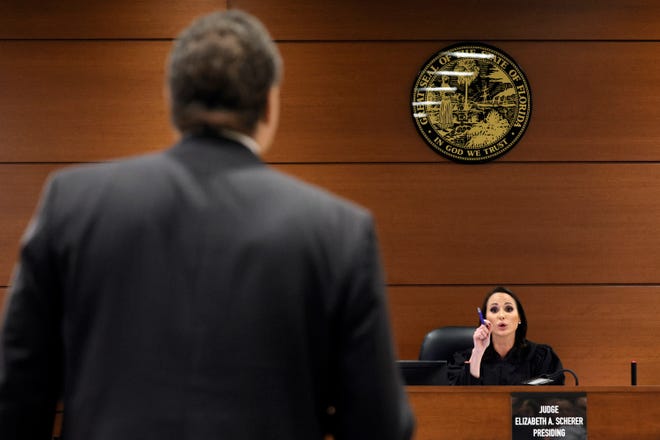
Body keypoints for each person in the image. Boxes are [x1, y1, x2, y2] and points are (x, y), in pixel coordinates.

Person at [0, 10, 414, 440]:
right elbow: (379, 423)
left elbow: (16, 395)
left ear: (171, 99)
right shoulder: (339, 230)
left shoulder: (72, 202)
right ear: (270, 104)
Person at [448, 286, 564, 385]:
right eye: (494, 310)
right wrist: (478, 353)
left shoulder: (542, 357)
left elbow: (554, 400)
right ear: (485, 319)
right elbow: (458, 400)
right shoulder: (465, 358)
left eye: (509, 309)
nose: (502, 315)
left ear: (519, 318)